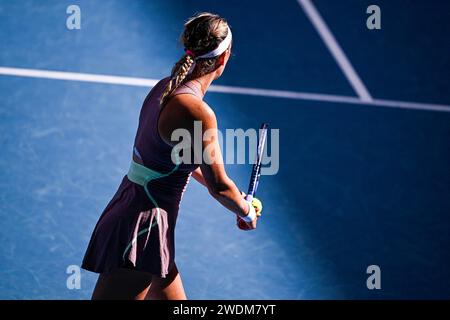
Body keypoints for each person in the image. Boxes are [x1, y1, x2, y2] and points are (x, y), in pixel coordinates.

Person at [81, 12, 262, 300]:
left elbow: (182, 164)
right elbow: (220, 187)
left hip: (137, 215)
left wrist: (238, 198)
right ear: (223, 59)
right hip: (143, 227)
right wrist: (245, 210)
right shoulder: (197, 113)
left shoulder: (164, 87)